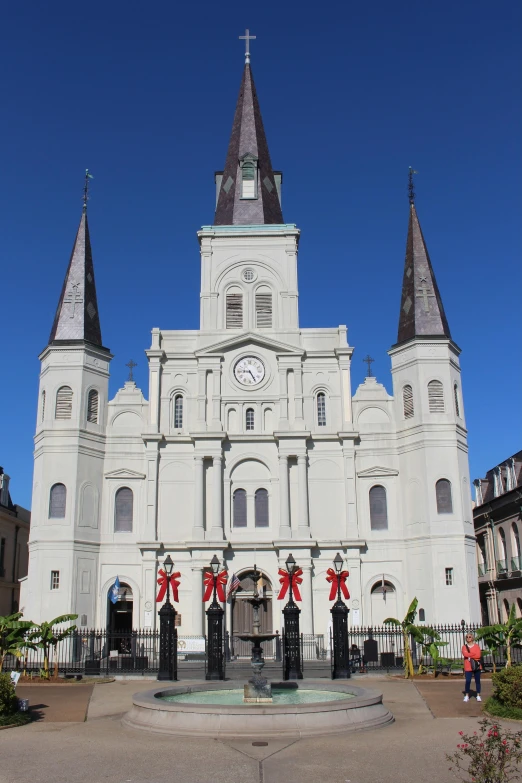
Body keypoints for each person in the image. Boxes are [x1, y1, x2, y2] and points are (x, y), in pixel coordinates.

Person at [462, 632, 482, 702]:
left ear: (472, 638)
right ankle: (467, 695)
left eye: (469, 637)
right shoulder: (464, 647)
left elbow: (478, 655)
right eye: (467, 637)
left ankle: (478, 695)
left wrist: (469, 655)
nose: (468, 638)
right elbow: (465, 654)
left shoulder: (476, 646)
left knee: (477, 681)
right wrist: (473, 654)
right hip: (468, 667)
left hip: (476, 666)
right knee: (468, 681)